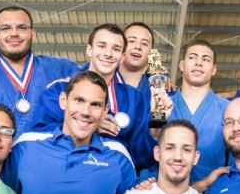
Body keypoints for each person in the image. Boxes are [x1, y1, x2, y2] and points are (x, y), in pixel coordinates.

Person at [34, 23, 171, 172]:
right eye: (101, 46)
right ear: (89, 50)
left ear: (122, 56)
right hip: (61, 171)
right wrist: (88, 126)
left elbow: (141, 157)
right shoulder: (60, 89)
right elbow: (39, 137)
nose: (108, 53)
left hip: (112, 183)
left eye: (116, 49)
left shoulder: (134, 98)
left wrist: (156, 125)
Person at [0, 5, 79, 137]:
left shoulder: (60, 68)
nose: (14, 33)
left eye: (22, 27)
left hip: (49, 155)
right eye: (5, 28)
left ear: (32, 33)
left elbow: (93, 85)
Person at [167, 39, 230, 191]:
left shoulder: (228, 109)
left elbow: (236, 162)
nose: (199, 63)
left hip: (215, 192)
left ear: (214, 69)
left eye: (206, 59)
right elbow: (148, 153)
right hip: (166, 192)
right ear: (182, 65)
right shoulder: (161, 105)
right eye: (192, 57)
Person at [117, 22, 155, 104]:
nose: (138, 46)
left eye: (144, 43)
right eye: (131, 41)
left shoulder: (160, 90)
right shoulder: (102, 80)